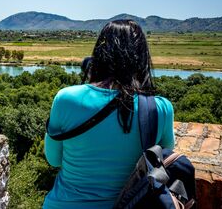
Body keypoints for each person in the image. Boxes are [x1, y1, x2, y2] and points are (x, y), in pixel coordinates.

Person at [43, 20, 175, 209]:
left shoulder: (66, 98)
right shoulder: (161, 108)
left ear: (99, 54)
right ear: (141, 57)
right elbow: (163, 159)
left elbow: (54, 160)